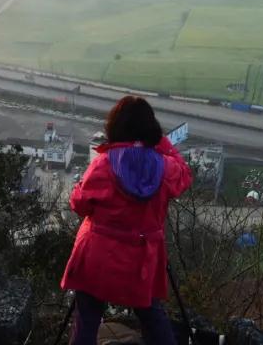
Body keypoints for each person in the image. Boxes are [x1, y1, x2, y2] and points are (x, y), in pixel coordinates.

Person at [60, 96, 193, 345]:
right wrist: (160, 140)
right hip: (142, 258)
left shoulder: (102, 165)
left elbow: (79, 204)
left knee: (87, 319)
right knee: (152, 315)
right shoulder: (165, 168)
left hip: (98, 256)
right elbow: (185, 173)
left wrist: (80, 187)